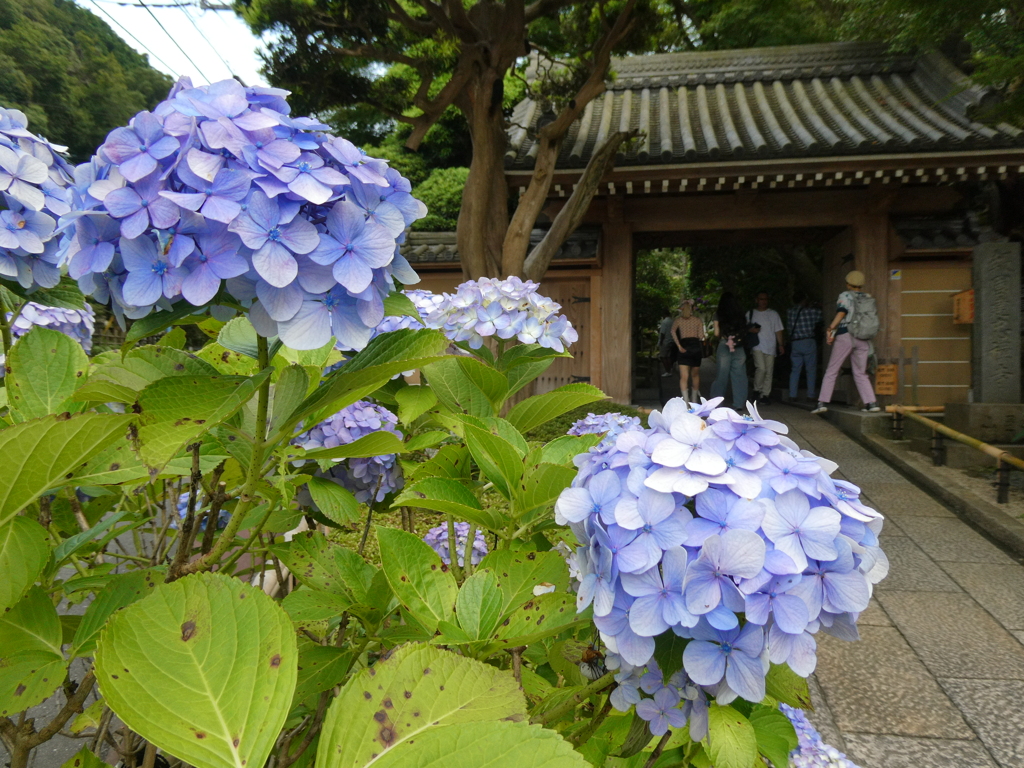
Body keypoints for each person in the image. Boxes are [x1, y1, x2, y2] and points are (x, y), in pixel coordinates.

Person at [812, 271, 880, 414]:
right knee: (861, 373)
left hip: (846, 335)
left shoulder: (845, 295)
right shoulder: (868, 297)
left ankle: (822, 402)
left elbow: (842, 312)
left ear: (848, 284)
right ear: (861, 285)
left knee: (832, 370)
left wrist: (831, 328)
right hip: (863, 338)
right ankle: (871, 403)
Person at [709, 292, 749, 410]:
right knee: (740, 375)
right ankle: (739, 403)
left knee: (721, 376)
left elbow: (716, 333)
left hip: (724, 345)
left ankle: (716, 403)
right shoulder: (740, 314)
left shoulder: (719, 314)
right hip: (739, 346)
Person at [747, 292, 785, 405]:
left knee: (769, 371)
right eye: (761, 299)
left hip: (771, 345)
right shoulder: (751, 313)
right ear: (756, 300)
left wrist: (781, 344)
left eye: (765, 299)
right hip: (757, 345)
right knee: (761, 368)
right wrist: (751, 330)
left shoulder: (773, 314)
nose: (763, 301)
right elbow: (744, 328)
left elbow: (778, 330)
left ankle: (765, 394)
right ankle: (756, 390)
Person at [787, 292, 823, 401]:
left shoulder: (790, 312)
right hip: (808, 341)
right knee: (810, 369)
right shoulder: (810, 312)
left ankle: (792, 394)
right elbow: (821, 317)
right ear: (804, 300)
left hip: (795, 342)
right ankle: (810, 395)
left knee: (795, 370)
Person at [672, 299, 706, 402]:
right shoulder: (697, 320)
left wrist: (678, 345)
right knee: (695, 375)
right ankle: (694, 400)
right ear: (692, 309)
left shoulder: (678, 320)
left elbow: (672, 331)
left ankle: (685, 401)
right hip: (695, 347)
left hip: (684, 346)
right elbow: (701, 336)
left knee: (684, 376)